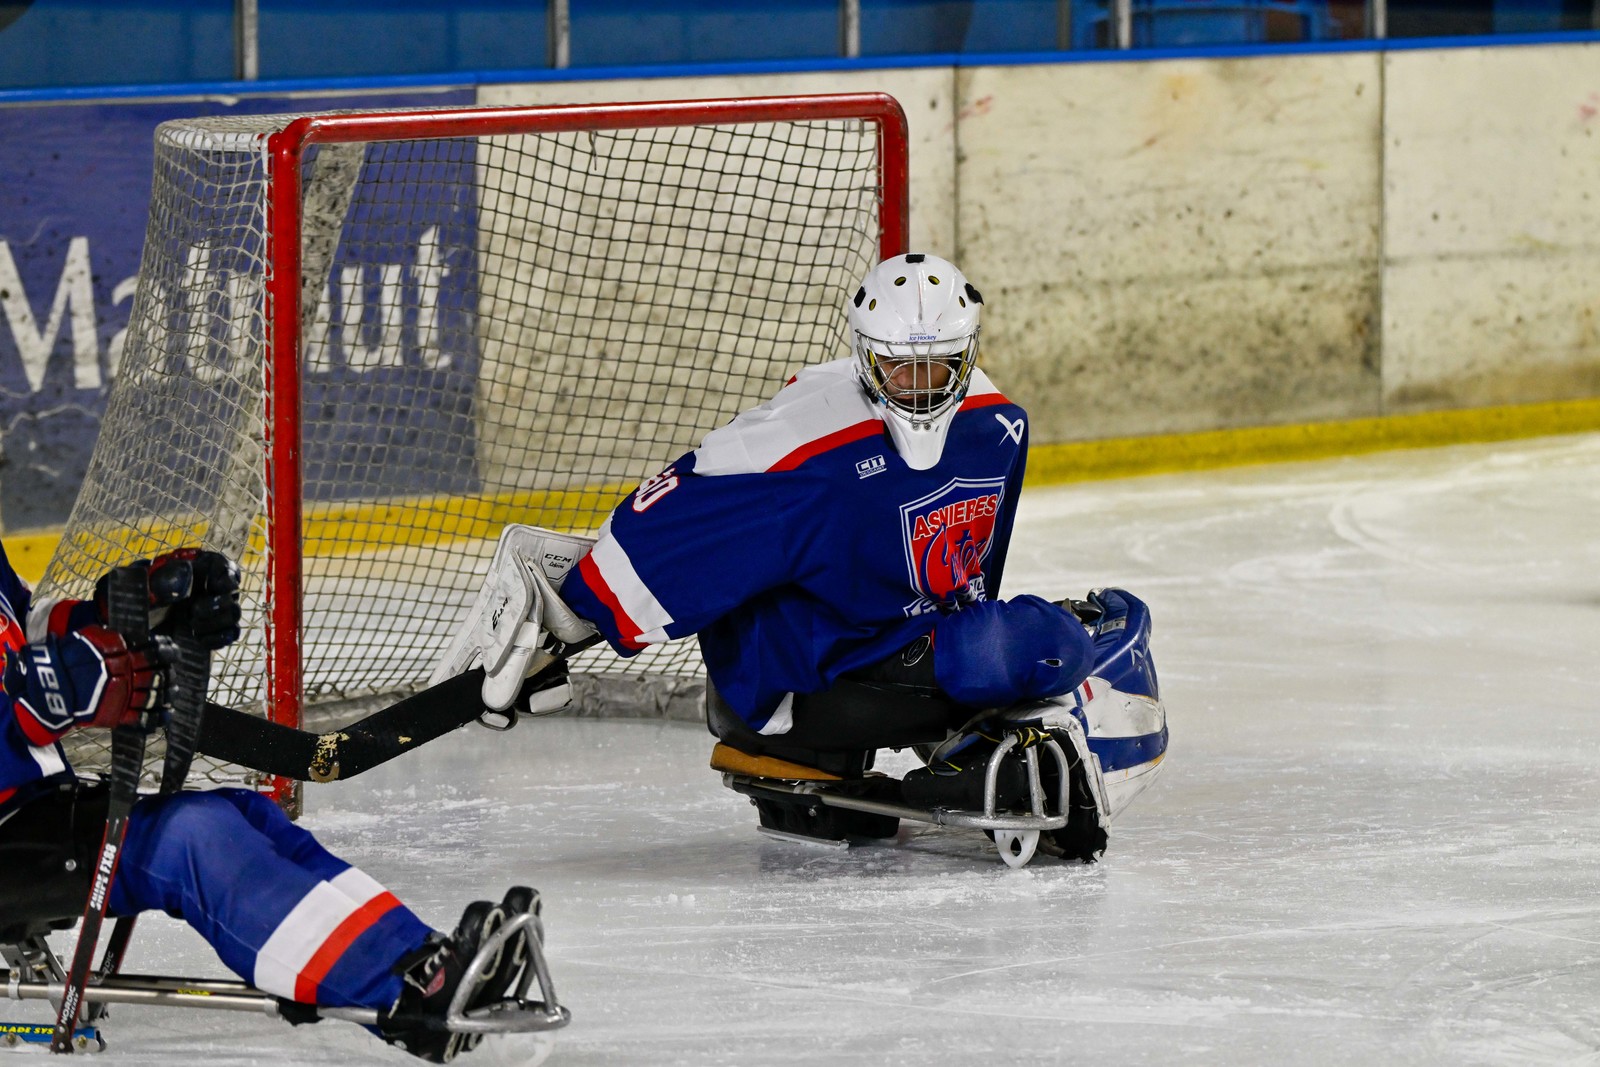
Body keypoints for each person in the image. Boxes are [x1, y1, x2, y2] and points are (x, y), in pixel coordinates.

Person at [535, 252, 1141, 858]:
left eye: (940, 368)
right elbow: (674, 516)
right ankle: (973, 737)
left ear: (968, 354)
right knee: (1045, 643)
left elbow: (971, 567)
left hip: (896, 651)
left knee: (1026, 642)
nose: (920, 386)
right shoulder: (804, 441)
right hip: (813, 677)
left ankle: (972, 732)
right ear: (866, 353)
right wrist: (575, 610)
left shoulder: (997, 425)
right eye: (900, 368)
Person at [0, 544, 538, 1063]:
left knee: (236, 814)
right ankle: (406, 996)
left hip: (27, 809)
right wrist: (28, 711)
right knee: (192, 841)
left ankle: (417, 960)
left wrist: (120, 618)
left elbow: (23, 627)